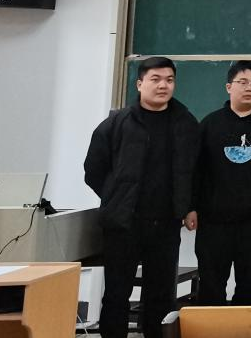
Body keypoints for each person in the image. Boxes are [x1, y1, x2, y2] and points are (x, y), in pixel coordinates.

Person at [84, 57, 198, 338]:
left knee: (160, 294)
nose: (163, 86)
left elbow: (196, 170)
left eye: (169, 80)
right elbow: (93, 169)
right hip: (123, 223)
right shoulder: (117, 123)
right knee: (117, 293)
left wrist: (189, 206)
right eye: (155, 79)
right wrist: (115, 198)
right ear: (139, 84)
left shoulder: (185, 122)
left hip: (166, 223)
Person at [188, 60, 251, 306]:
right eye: (242, 82)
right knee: (211, 285)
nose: (249, 88)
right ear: (228, 87)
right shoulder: (210, 124)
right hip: (214, 221)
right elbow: (195, 170)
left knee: (250, 285)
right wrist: (191, 207)